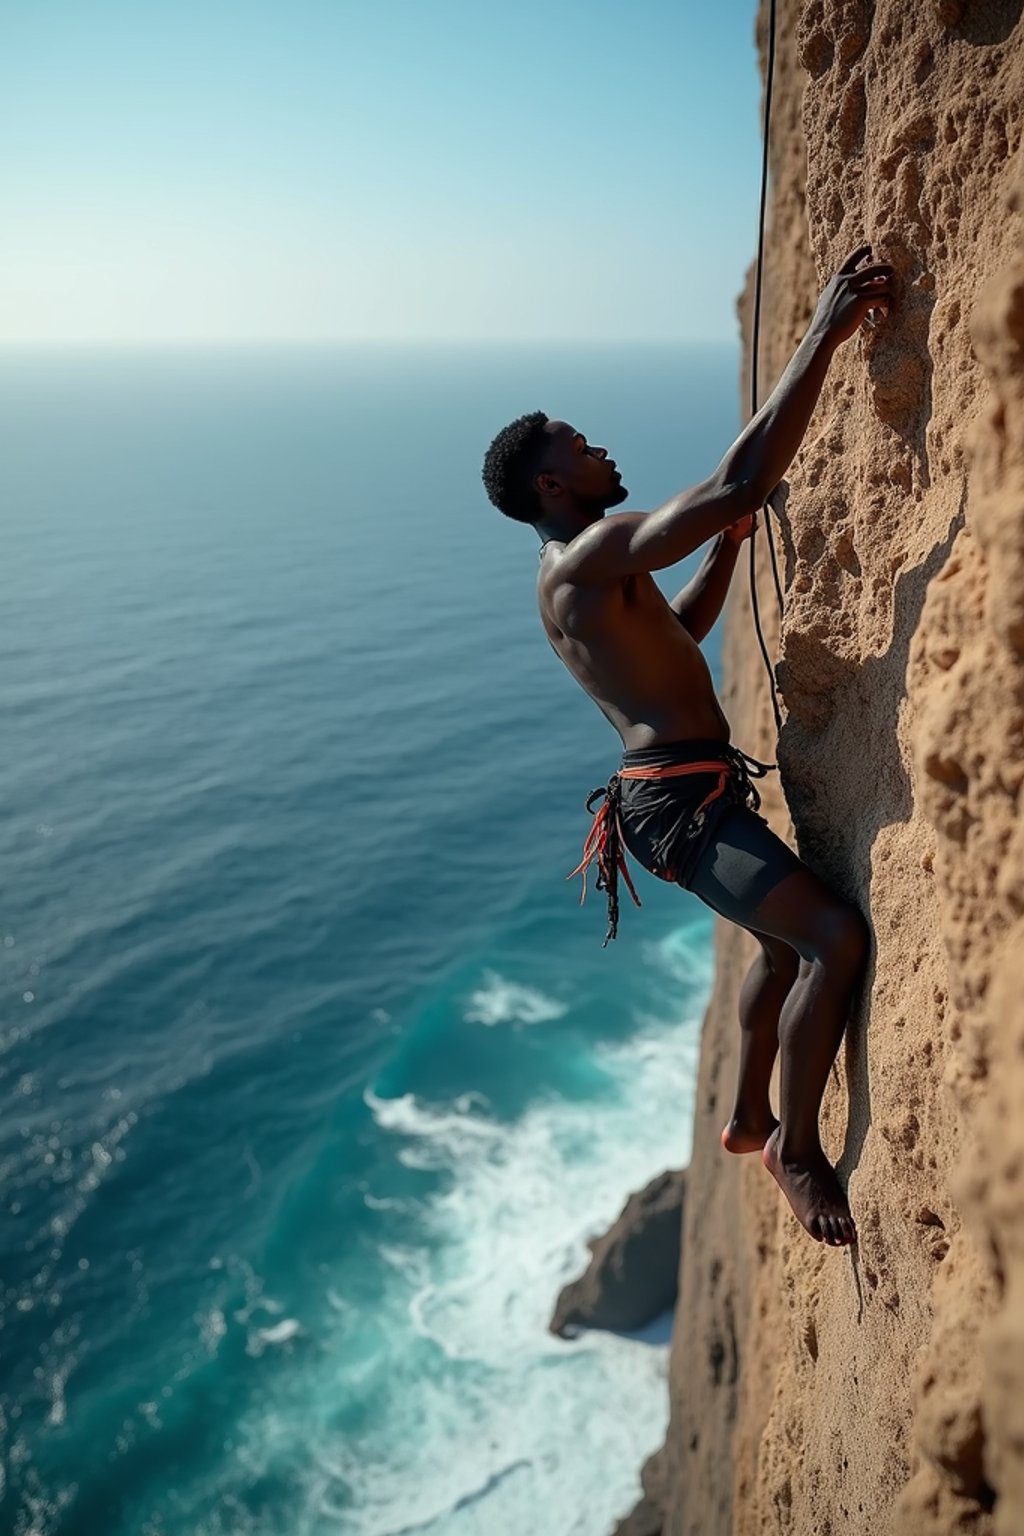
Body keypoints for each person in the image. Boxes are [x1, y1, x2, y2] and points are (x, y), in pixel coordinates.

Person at [480, 245, 894, 1249]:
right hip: (681, 809)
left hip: (679, 800)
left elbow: (676, 630)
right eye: (581, 447)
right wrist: (822, 332)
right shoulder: (582, 556)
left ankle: (749, 1115)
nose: (600, 451)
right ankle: (795, 1153)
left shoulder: (582, 576)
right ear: (550, 481)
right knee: (829, 942)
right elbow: (739, 477)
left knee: (771, 947)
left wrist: (722, 553)